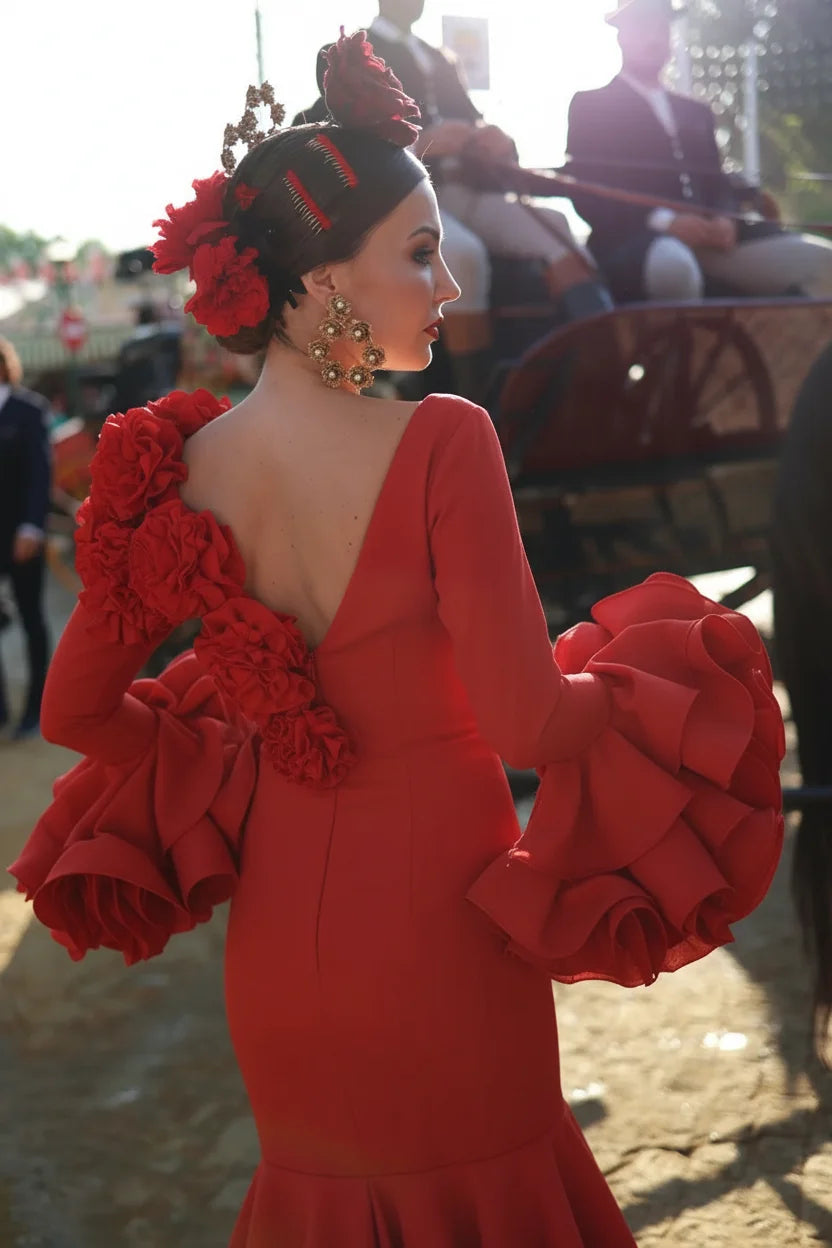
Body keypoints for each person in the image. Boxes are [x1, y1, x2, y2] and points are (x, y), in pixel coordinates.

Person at [10, 32, 784, 1245]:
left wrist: (228, 714)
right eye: (419, 255)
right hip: (443, 927)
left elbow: (75, 714)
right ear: (321, 284)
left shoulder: (180, 467)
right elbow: (532, 722)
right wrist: (640, 683)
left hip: (282, 957)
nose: (447, 288)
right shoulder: (443, 441)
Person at [296, 1, 609, 400]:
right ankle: (476, 404)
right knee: (462, 253)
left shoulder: (438, 58)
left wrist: (498, 140)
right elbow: (346, 140)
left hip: (469, 192)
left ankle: (599, 368)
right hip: (406, 197)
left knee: (557, 229)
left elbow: (471, 118)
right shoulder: (349, 52)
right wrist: (424, 141)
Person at [565, 0, 832, 302]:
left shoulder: (696, 111)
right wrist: (666, 222)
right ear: (622, 36)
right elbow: (587, 192)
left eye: (661, 27)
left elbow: (717, 182)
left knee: (824, 263)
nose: (654, 37)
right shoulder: (592, 106)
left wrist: (725, 220)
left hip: (716, 240)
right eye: (642, 26)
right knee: (674, 267)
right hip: (637, 242)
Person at [0, 336, 52, 740]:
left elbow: (40, 475)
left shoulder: (28, 410)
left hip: (22, 538)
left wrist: (32, 527)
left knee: (32, 619)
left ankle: (38, 709)